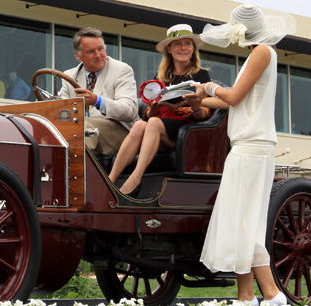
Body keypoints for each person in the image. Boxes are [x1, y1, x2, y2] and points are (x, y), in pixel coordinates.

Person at [198, 4, 296, 306]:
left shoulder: (262, 52)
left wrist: (207, 86)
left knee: (244, 221)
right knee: (242, 220)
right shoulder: (261, 53)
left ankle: (270, 293)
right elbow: (233, 103)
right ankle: (246, 295)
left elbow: (234, 96)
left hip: (251, 148)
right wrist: (198, 100)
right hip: (250, 147)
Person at [107, 24, 212, 195]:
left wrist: (194, 106)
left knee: (153, 123)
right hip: (157, 129)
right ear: (169, 49)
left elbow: (202, 116)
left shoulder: (201, 75)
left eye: (188, 44)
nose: (183, 48)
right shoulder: (160, 77)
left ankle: (135, 179)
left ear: (193, 49)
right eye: (178, 44)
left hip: (184, 132)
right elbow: (149, 116)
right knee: (140, 125)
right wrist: (152, 110)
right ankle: (109, 180)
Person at [58, 27, 138, 156]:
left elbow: (130, 111)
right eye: (91, 51)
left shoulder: (121, 70)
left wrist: (97, 101)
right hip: (86, 130)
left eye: (101, 49)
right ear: (78, 55)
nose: (98, 55)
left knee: (81, 128)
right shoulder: (69, 76)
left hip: (118, 132)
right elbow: (62, 112)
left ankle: (73, 172)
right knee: (61, 128)